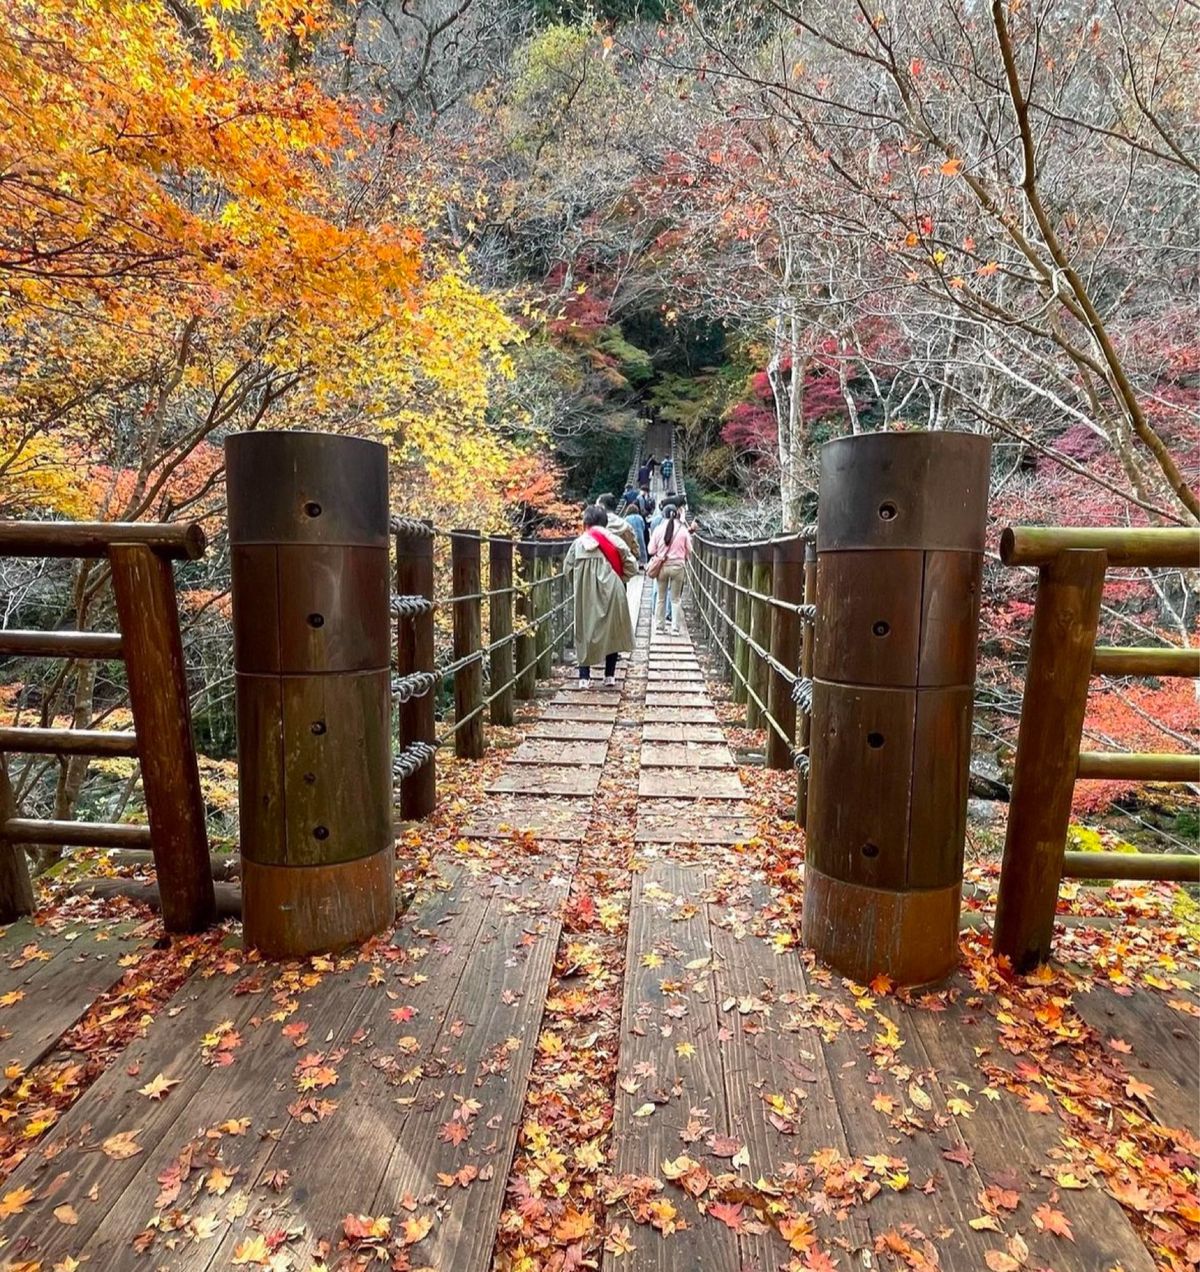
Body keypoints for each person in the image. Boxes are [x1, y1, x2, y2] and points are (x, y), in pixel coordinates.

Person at [564, 504, 637, 687]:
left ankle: (584, 677)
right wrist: (620, 579)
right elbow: (632, 565)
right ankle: (609, 675)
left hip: (585, 593)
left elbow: (568, 569)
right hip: (612, 590)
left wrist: (579, 583)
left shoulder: (578, 543)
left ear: (586, 522)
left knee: (584, 628)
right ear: (605, 522)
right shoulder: (615, 540)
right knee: (612, 630)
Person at [647, 504, 692, 635]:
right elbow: (690, 549)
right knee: (676, 599)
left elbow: (651, 550)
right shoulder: (683, 530)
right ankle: (675, 629)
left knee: (661, 598)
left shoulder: (658, 529)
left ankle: (659, 627)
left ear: (663, 514)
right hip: (678, 567)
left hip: (662, 566)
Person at [597, 493, 639, 558]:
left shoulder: (597, 528)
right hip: (622, 565)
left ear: (602, 506)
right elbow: (636, 552)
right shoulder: (626, 525)